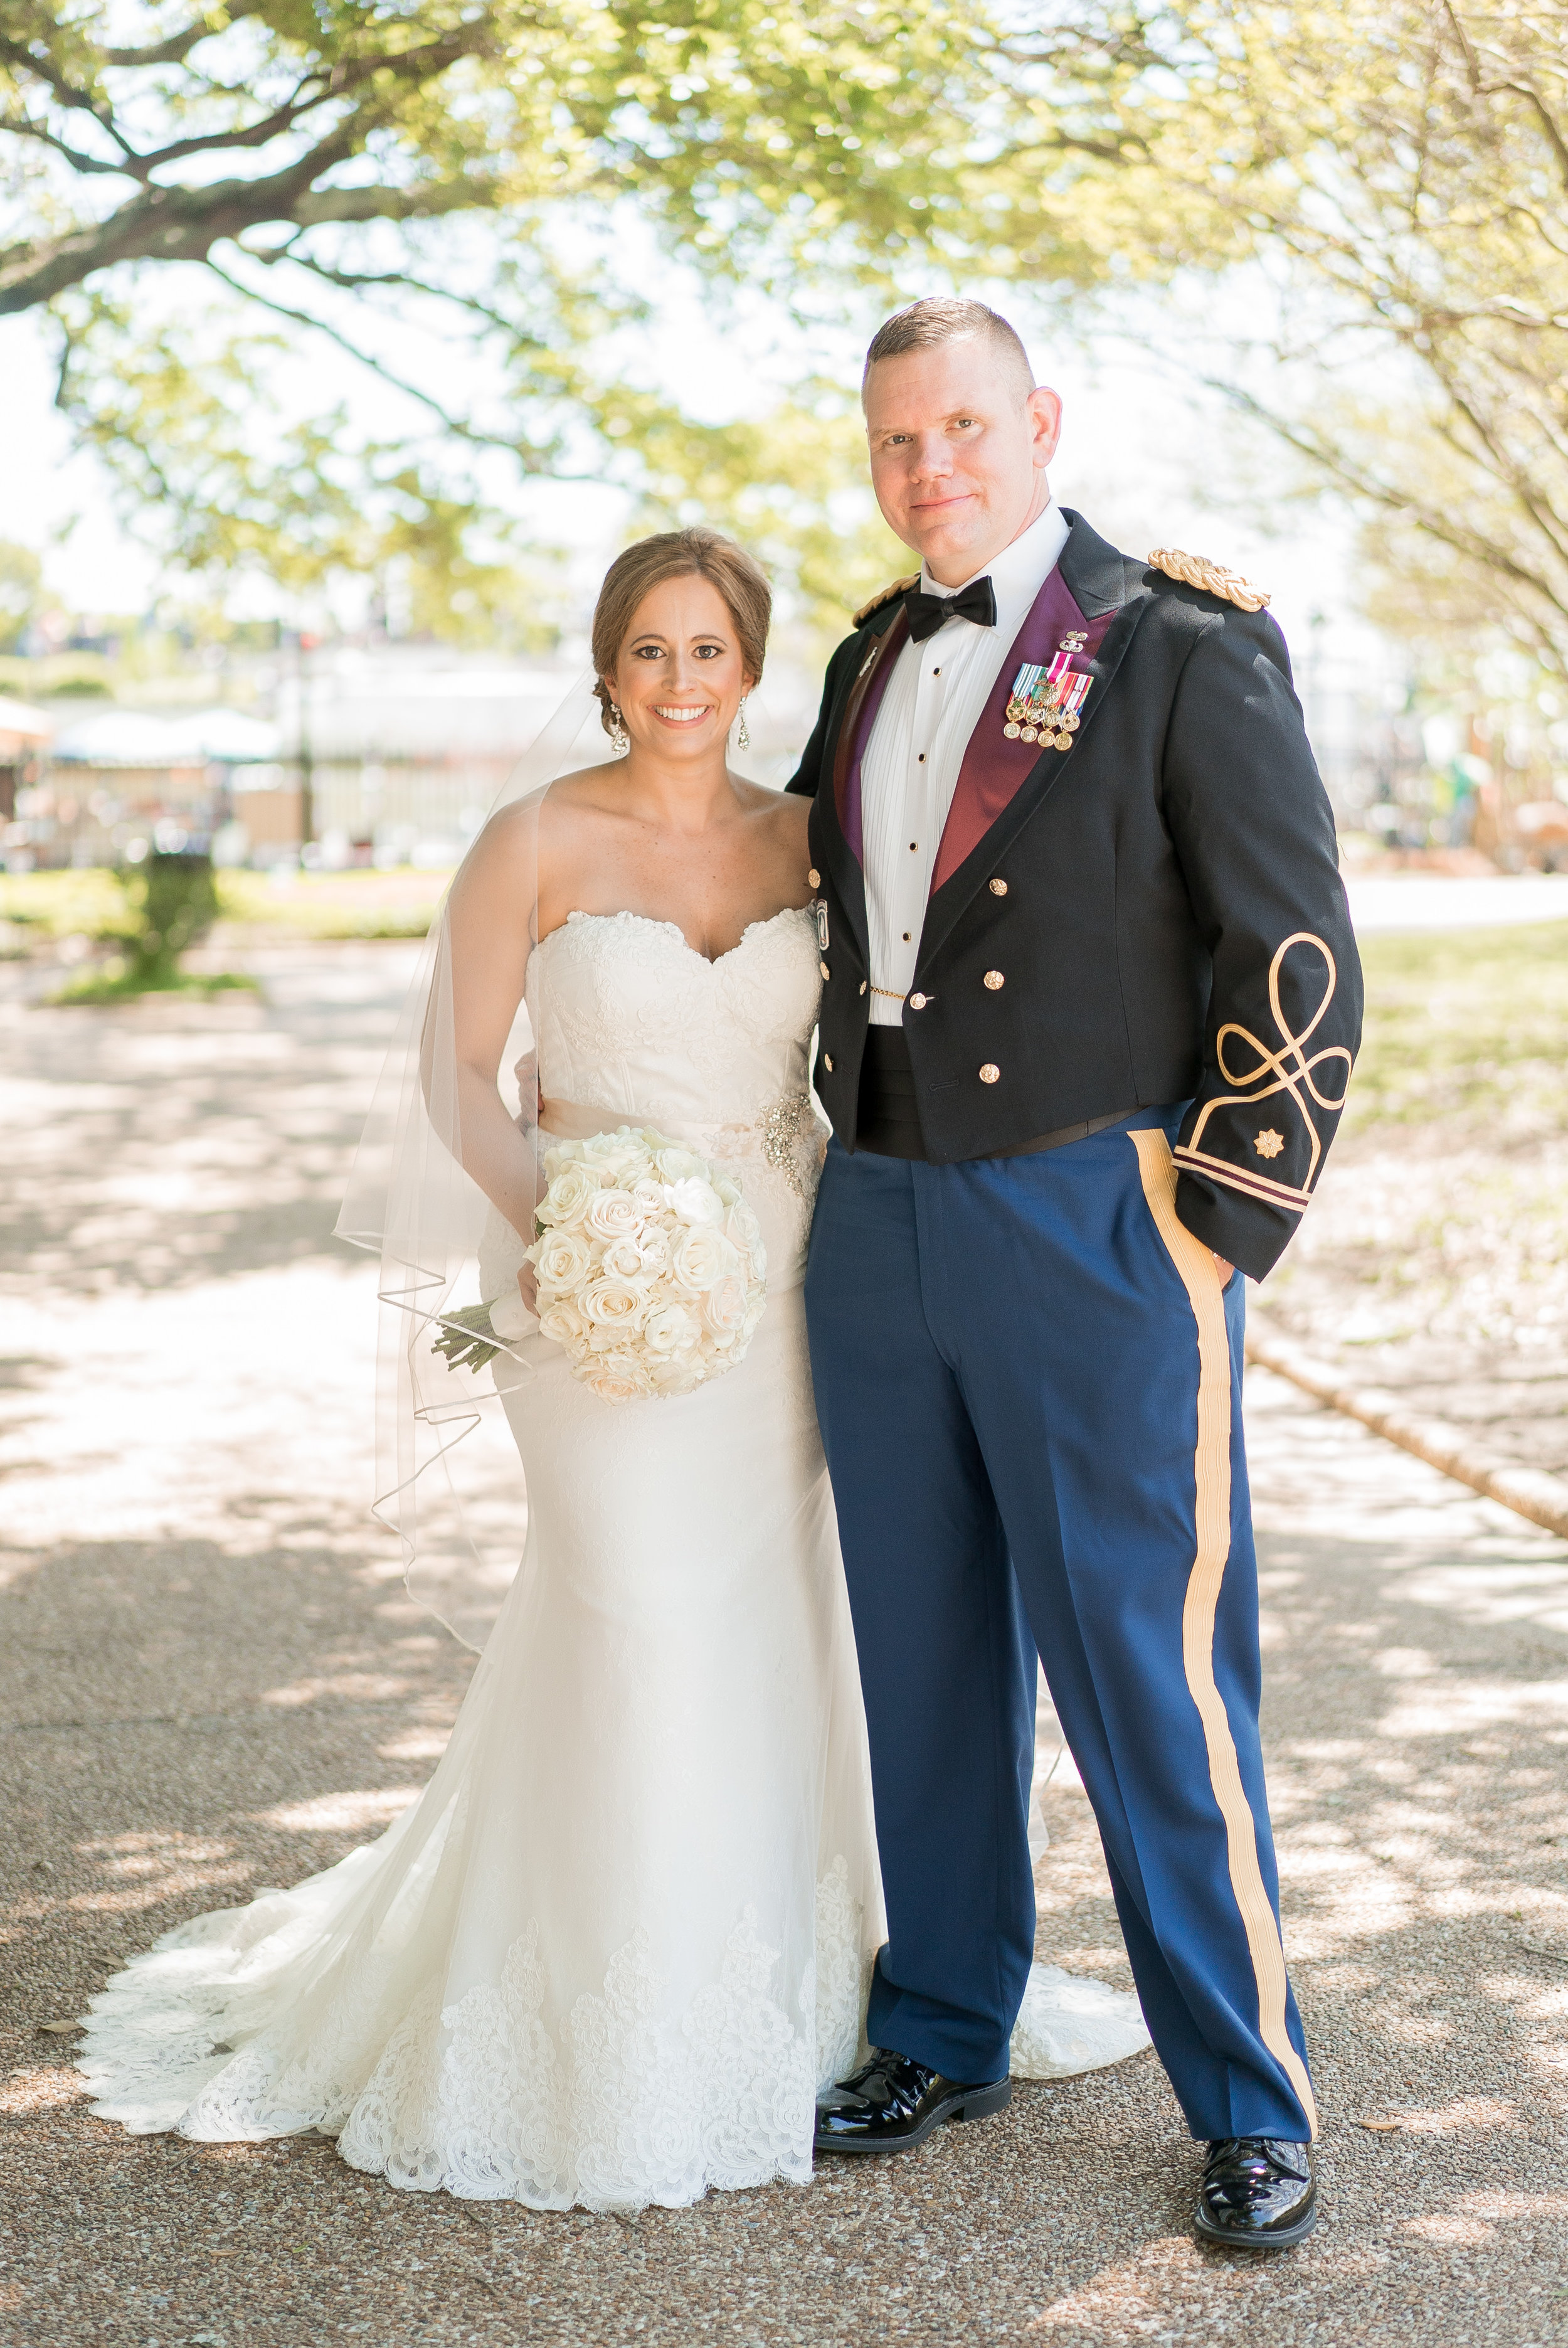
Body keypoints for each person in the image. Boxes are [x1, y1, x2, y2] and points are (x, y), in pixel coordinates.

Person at [77, 527, 1147, 2214]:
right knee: (637, 1595)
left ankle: (803, 1980)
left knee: (786, 1610)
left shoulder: (812, 840)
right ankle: (614, 2009)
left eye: (708, 650)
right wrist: (575, 1233)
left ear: (752, 667)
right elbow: (461, 1084)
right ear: (604, 666)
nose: (677, 683)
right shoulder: (531, 840)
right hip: (586, 1276)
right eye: (647, 652)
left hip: (801, 1275)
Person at [792, 299, 1363, 2252]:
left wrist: (1218, 1221)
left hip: (1090, 1223)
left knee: (1150, 1674)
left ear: (1035, 422)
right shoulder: (872, 656)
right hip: (873, 1218)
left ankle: (1246, 2091)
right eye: (891, 442)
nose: (925, 467)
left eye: (958, 427)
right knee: (924, 1658)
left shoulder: (1178, 644)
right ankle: (946, 2020)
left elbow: (1291, 949)